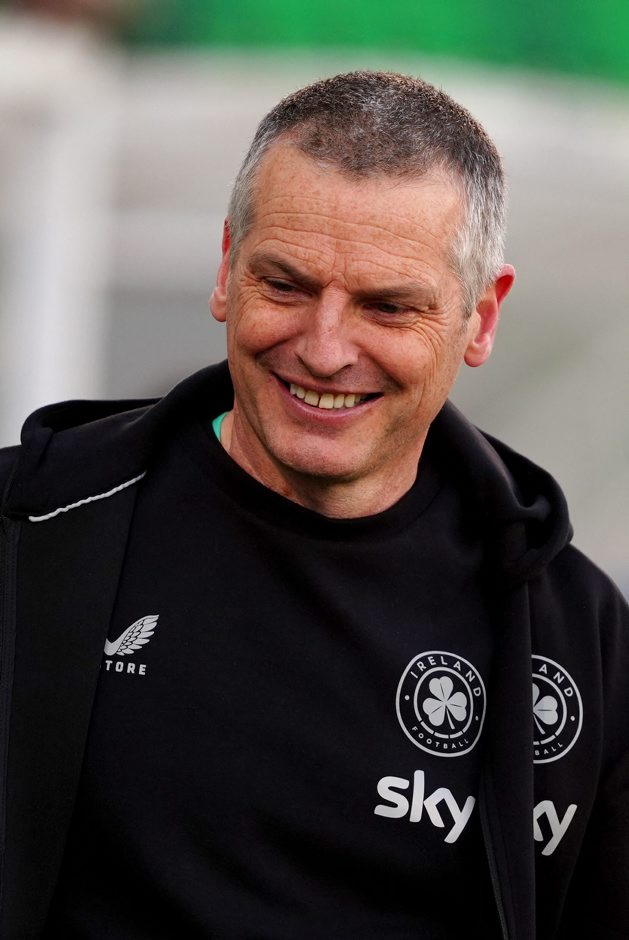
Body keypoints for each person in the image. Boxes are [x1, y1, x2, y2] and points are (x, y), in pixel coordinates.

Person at [0, 70, 627, 940]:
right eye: (286, 286)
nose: (325, 350)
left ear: (480, 317)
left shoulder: (577, 635)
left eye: (387, 306)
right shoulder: (31, 532)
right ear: (227, 269)